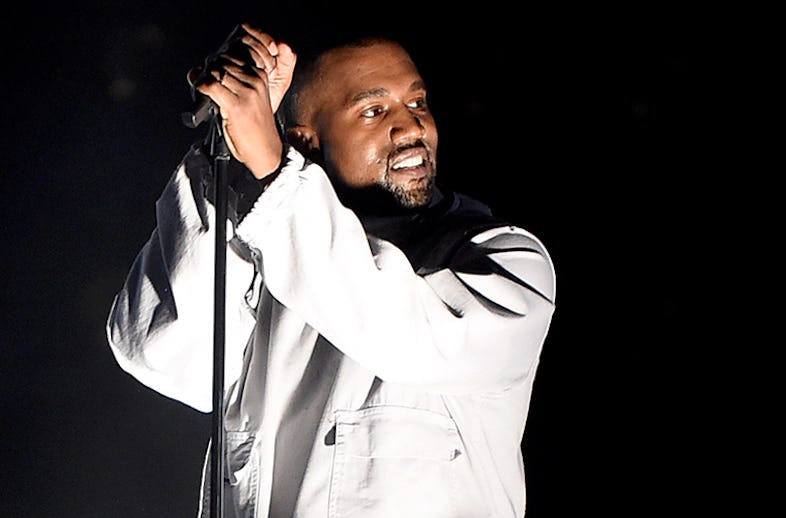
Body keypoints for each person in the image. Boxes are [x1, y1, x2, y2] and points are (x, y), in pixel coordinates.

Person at [106, 21, 556, 518]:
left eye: (418, 102)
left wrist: (273, 171)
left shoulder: (503, 261)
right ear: (307, 140)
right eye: (374, 110)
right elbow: (164, 355)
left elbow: (407, 333)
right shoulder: (265, 248)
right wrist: (232, 152)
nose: (412, 128)